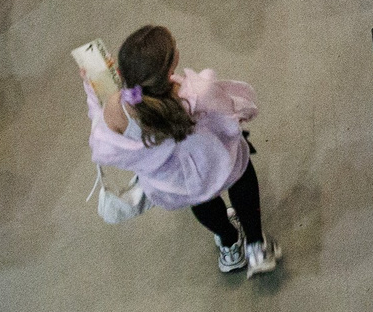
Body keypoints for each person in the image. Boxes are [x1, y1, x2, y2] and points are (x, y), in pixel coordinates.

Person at [86, 23, 275, 276]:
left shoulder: (116, 109)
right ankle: (256, 247)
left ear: (119, 71)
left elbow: (104, 142)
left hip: (177, 180)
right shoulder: (196, 92)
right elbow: (230, 114)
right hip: (215, 160)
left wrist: (93, 88)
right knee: (241, 175)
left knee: (201, 200)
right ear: (171, 66)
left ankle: (229, 243)